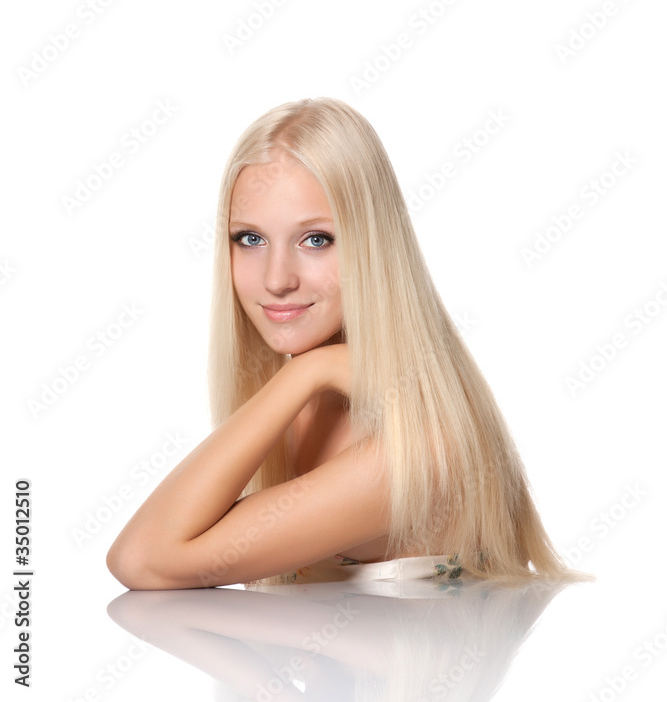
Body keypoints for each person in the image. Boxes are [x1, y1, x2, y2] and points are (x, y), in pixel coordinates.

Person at [106, 97, 592, 589]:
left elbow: (143, 560)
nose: (276, 279)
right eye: (250, 239)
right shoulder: (305, 412)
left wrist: (307, 371)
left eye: (316, 240)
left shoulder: (418, 446)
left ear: (373, 244)